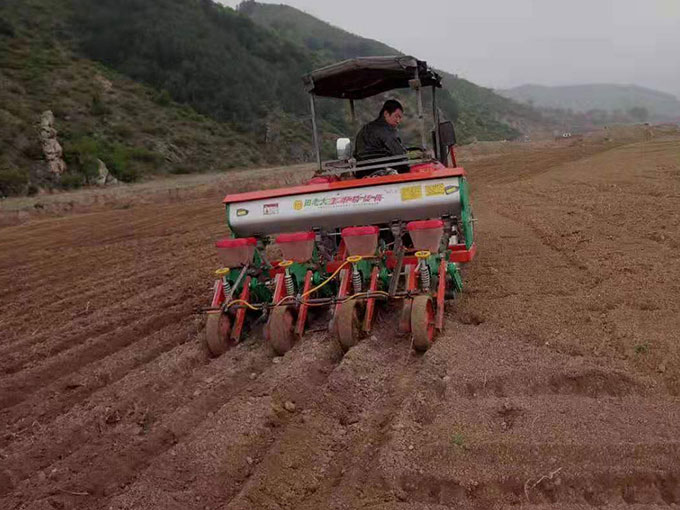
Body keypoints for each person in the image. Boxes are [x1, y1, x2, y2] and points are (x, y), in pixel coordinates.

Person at [353, 99, 408, 177]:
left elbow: (355, 153)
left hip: (361, 175)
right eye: (396, 116)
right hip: (381, 172)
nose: (398, 121)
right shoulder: (386, 130)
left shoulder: (364, 129)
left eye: (400, 118)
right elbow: (400, 155)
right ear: (386, 114)